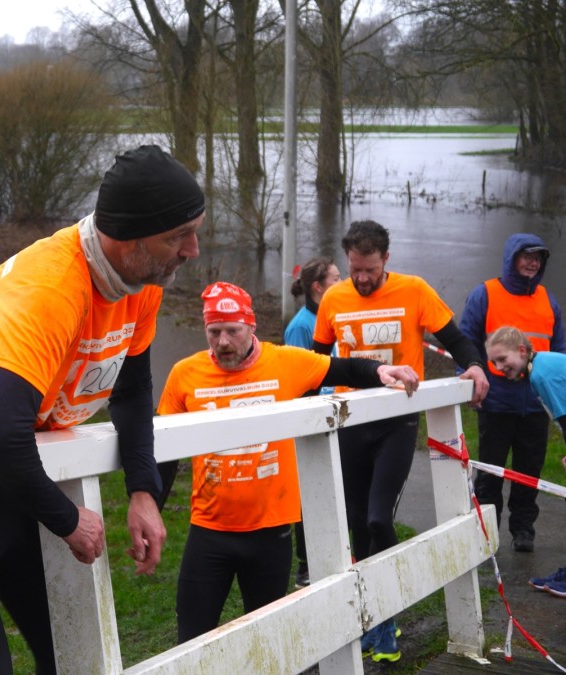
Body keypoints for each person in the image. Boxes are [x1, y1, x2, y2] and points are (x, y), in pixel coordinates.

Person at [0, 144, 204, 674]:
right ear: (128, 236)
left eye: (194, 231)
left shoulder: (140, 281)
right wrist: (69, 520)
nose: (192, 250)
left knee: (67, 653)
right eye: (178, 236)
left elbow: (130, 390)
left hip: (18, 472)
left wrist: (143, 490)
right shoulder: (52, 290)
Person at [158, 281, 419, 644]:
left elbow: (343, 369)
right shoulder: (184, 373)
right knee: (191, 641)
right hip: (209, 530)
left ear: (251, 326)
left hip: (271, 531)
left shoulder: (285, 362)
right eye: (214, 332)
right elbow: (163, 449)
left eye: (232, 331)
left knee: (269, 641)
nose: (223, 342)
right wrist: (151, 510)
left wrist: (380, 372)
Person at [312, 220, 489, 663]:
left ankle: (387, 614)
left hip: (396, 422)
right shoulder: (334, 298)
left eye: (370, 269)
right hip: (351, 421)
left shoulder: (414, 290)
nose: (361, 278)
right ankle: (368, 617)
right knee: (355, 522)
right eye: (355, 269)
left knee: (378, 519)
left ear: (386, 259)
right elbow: (316, 361)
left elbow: (456, 339)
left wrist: (474, 365)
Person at [459, 234, 564, 553]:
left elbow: (559, 346)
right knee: (490, 474)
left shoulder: (548, 299)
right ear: (511, 258)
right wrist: (468, 378)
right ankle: (485, 535)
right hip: (496, 402)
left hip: (537, 405)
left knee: (528, 473)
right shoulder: (485, 293)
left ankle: (523, 531)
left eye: (538, 258)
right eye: (526, 256)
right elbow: (465, 340)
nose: (532, 262)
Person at [485, 326, 566, 596]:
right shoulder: (537, 370)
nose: (499, 368)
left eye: (502, 359)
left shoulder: (541, 374)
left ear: (522, 351)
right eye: (494, 363)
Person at [283, 256, 341, 587]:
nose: (342, 283)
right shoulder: (301, 326)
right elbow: (299, 378)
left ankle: (334, 555)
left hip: (336, 417)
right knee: (311, 493)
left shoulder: (333, 317)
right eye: (336, 278)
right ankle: (306, 566)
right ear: (318, 287)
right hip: (313, 420)